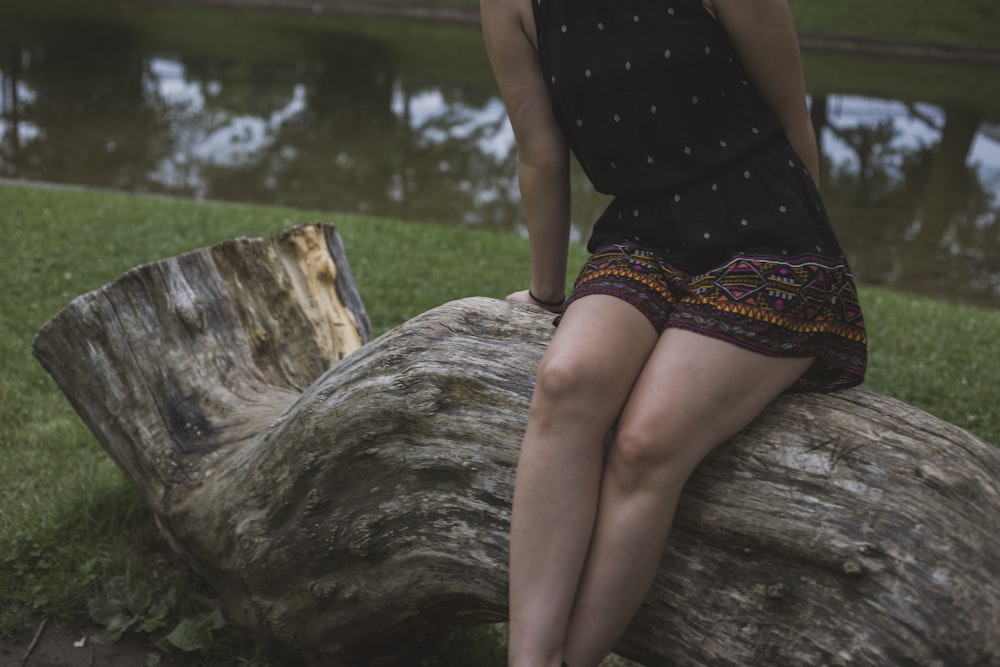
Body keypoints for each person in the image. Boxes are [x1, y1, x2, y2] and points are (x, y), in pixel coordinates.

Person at [480, 0, 868, 666]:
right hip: (643, 233)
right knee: (568, 381)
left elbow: (791, 112)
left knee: (644, 441)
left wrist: (817, 258)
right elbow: (540, 154)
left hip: (771, 237)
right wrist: (547, 292)